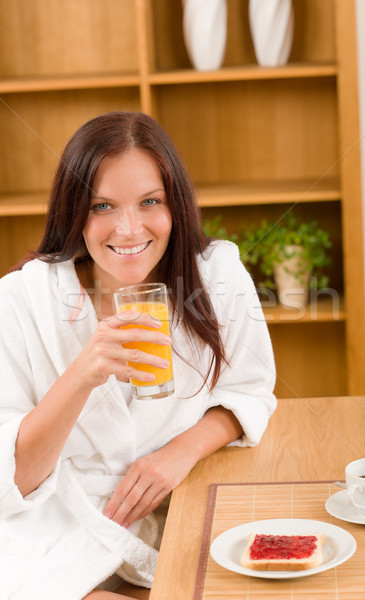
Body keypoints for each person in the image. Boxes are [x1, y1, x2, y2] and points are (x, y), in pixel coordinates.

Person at [0, 111, 276, 599]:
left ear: (176, 206)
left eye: (150, 201)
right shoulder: (21, 301)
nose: (129, 229)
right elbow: (13, 478)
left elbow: (249, 392)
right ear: (73, 212)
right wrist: (82, 375)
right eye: (102, 206)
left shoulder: (217, 277)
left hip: (178, 507)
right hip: (56, 527)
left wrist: (180, 452)